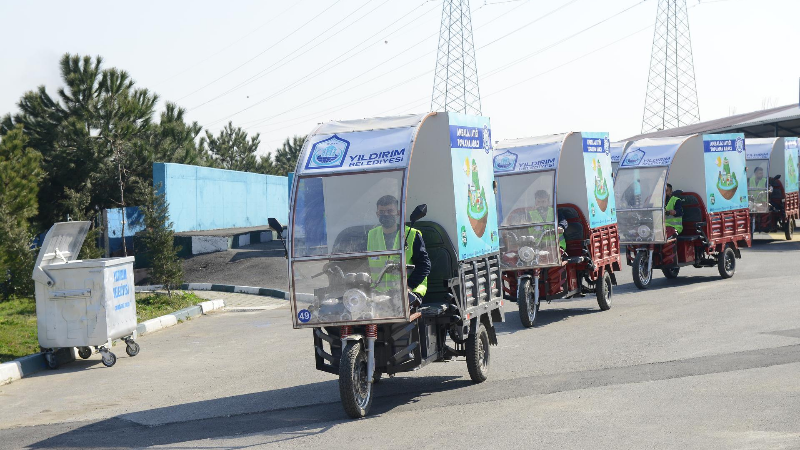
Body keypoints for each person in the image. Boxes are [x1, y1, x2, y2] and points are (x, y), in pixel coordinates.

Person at [367, 195, 430, 307]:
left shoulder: (411, 234)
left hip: (410, 292)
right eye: (382, 212)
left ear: (398, 213)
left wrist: (409, 286)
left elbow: (424, 266)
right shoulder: (372, 235)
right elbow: (366, 264)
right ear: (377, 214)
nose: (385, 215)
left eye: (390, 211)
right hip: (380, 295)